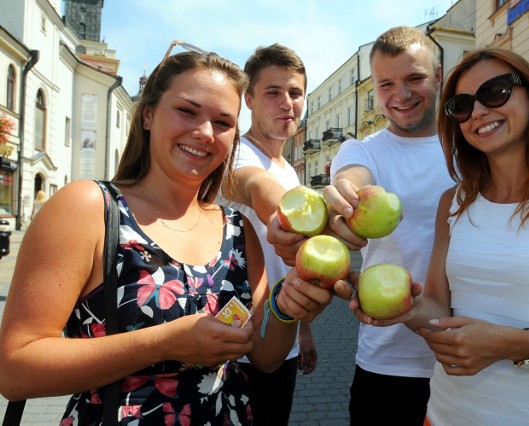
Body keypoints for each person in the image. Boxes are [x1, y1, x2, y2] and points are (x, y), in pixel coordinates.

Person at [0, 42, 348, 425]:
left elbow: (264, 356)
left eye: (222, 123)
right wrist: (164, 343)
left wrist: (287, 309)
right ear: (148, 115)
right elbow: (16, 371)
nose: (203, 132)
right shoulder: (89, 208)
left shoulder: (237, 229)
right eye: (186, 111)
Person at [360, 48, 529, 424]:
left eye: (496, 91)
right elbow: (437, 306)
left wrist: (515, 344)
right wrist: (399, 309)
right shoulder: (452, 203)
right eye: (462, 105)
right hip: (445, 413)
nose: (479, 111)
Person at [320, 26, 454, 425]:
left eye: (415, 78)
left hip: (469, 354)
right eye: (386, 84)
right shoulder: (362, 150)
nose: (402, 94)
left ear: (439, 77)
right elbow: (352, 179)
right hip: (389, 359)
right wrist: (344, 198)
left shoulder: (472, 149)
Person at [216, 43, 317, 425]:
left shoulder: (288, 168)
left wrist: (304, 332)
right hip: (238, 345)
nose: (286, 103)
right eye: (273, 92)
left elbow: (295, 264)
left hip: (282, 336)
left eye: (295, 92)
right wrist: (282, 213)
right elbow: (251, 184)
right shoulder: (234, 153)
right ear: (249, 99)